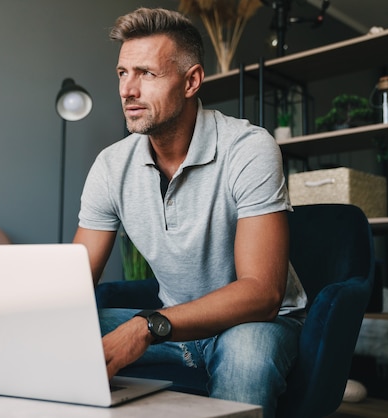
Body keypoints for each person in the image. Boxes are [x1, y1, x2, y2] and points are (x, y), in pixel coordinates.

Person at [72, 7, 307, 418]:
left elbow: (262, 294)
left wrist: (146, 326)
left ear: (191, 81)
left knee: (245, 358)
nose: (128, 90)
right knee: (57, 337)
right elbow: (73, 282)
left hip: (254, 324)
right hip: (171, 326)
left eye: (146, 73)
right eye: (123, 73)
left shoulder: (248, 148)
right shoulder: (110, 166)